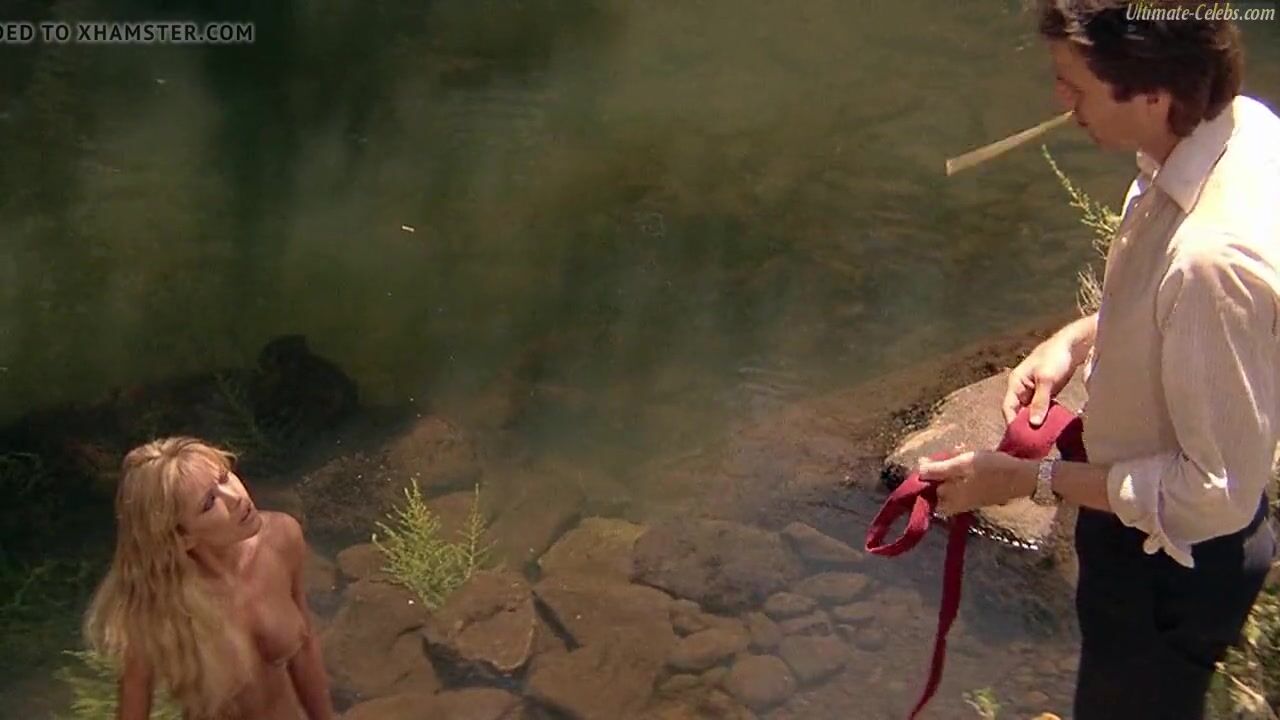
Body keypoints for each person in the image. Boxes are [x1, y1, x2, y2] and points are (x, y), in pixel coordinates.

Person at [916, 1, 1280, 718]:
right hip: (1141, 532)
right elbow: (1184, 311)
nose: (1061, 101)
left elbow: (1214, 495)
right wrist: (1081, 338)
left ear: (1152, 94)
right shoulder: (1238, 128)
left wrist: (1028, 478)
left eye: (1075, 84)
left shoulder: (1213, 259)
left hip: (1169, 564)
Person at [84, 437, 334, 720]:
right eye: (209, 502)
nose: (236, 497)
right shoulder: (162, 606)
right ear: (182, 537)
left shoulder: (281, 538)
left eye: (224, 477)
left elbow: (304, 648)